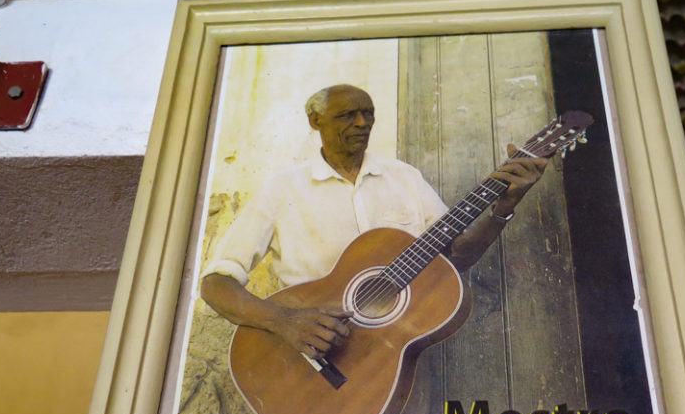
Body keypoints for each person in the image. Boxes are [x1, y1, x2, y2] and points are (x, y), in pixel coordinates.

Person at [200, 84, 547, 361]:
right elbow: (216, 283)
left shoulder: (403, 176)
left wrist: (504, 207)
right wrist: (285, 321)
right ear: (315, 121)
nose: (362, 124)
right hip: (310, 358)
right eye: (347, 116)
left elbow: (456, 256)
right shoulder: (283, 188)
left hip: (394, 354)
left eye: (368, 114)